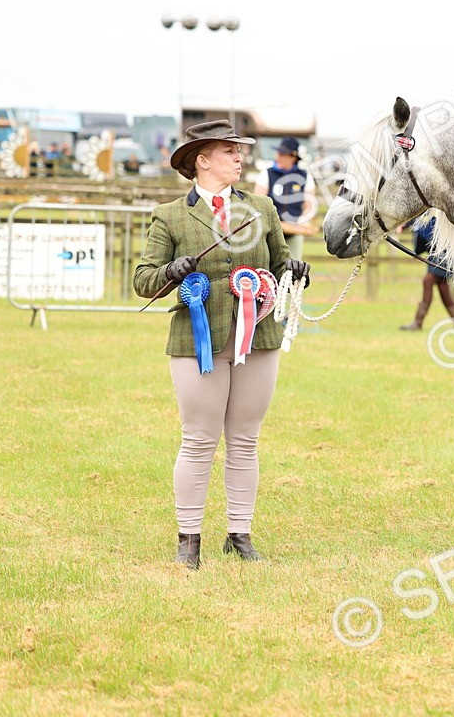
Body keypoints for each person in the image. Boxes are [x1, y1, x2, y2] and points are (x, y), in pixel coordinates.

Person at [133, 120, 311, 571]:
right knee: (198, 440)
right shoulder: (170, 215)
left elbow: (279, 261)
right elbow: (143, 280)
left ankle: (240, 533)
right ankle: (188, 539)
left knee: (246, 440)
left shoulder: (263, 208)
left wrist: (295, 268)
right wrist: (172, 270)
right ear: (202, 160)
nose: (239, 157)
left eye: (240, 150)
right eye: (229, 150)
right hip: (198, 342)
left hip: (258, 339)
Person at [253, 137, 317, 260]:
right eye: (278, 153)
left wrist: (300, 223)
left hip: (294, 232)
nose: (278, 157)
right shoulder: (266, 174)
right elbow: (258, 205)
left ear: (293, 157)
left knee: (293, 267)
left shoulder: (305, 176)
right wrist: (276, 224)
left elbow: (308, 206)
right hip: (269, 231)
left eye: (282, 154)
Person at [400, 217, 454, 330]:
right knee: (443, 288)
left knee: (427, 281)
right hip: (436, 253)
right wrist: (406, 226)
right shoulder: (423, 218)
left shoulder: (432, 216)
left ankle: (417, 323)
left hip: (444, 253)